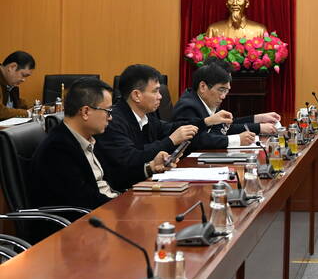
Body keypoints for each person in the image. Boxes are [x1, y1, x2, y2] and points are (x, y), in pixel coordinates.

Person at [29, 78, 172, 211]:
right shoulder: (58, 149)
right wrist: (129, 205)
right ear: (85, 112)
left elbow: (114, 179)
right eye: (108, 111)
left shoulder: (89, 139)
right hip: (82, 227)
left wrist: (150, 167)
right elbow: (83, 201)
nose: (110, 117)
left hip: (107, 211)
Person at [95, 64, 233, 190]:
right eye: (155, 91)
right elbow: (132, 158)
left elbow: (171, 128)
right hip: (122, 191)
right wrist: (171, 141)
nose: (160, 97)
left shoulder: (147, 116)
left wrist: (206, 122)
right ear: (137, 95)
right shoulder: (113, 121)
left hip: (145, 184)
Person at [172, 62, 281, 148]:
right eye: (221, 90)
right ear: (203, 87)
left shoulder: (206, 100)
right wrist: (237, 140)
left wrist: (258, 119)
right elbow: (197, 140)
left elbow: (224, 127)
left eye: (226, 91)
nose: (223, 96)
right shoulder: (188, 106)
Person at [0, 50, 35, 120]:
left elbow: (18, 103)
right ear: (12, 67)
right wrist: (27, 113)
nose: (23, 80)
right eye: (23, 75)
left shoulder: (8, 82)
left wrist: (42, 108)